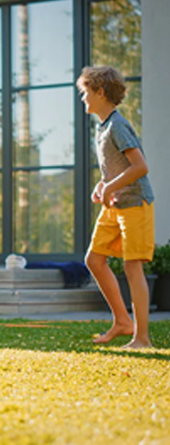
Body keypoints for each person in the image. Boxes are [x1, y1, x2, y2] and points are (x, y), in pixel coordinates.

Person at [78, 66, 155, 349]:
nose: (83, 99)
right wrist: (103, 185)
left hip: (135, 203)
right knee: (94, 259)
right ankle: (123, 321)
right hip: (115, 203)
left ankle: (142, 338)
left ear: (100, 92)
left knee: (132, 266)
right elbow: (116, 168)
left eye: (86, 93)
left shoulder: (118, 125)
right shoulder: (103, 127)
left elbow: (140, 167)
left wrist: (110, 187)